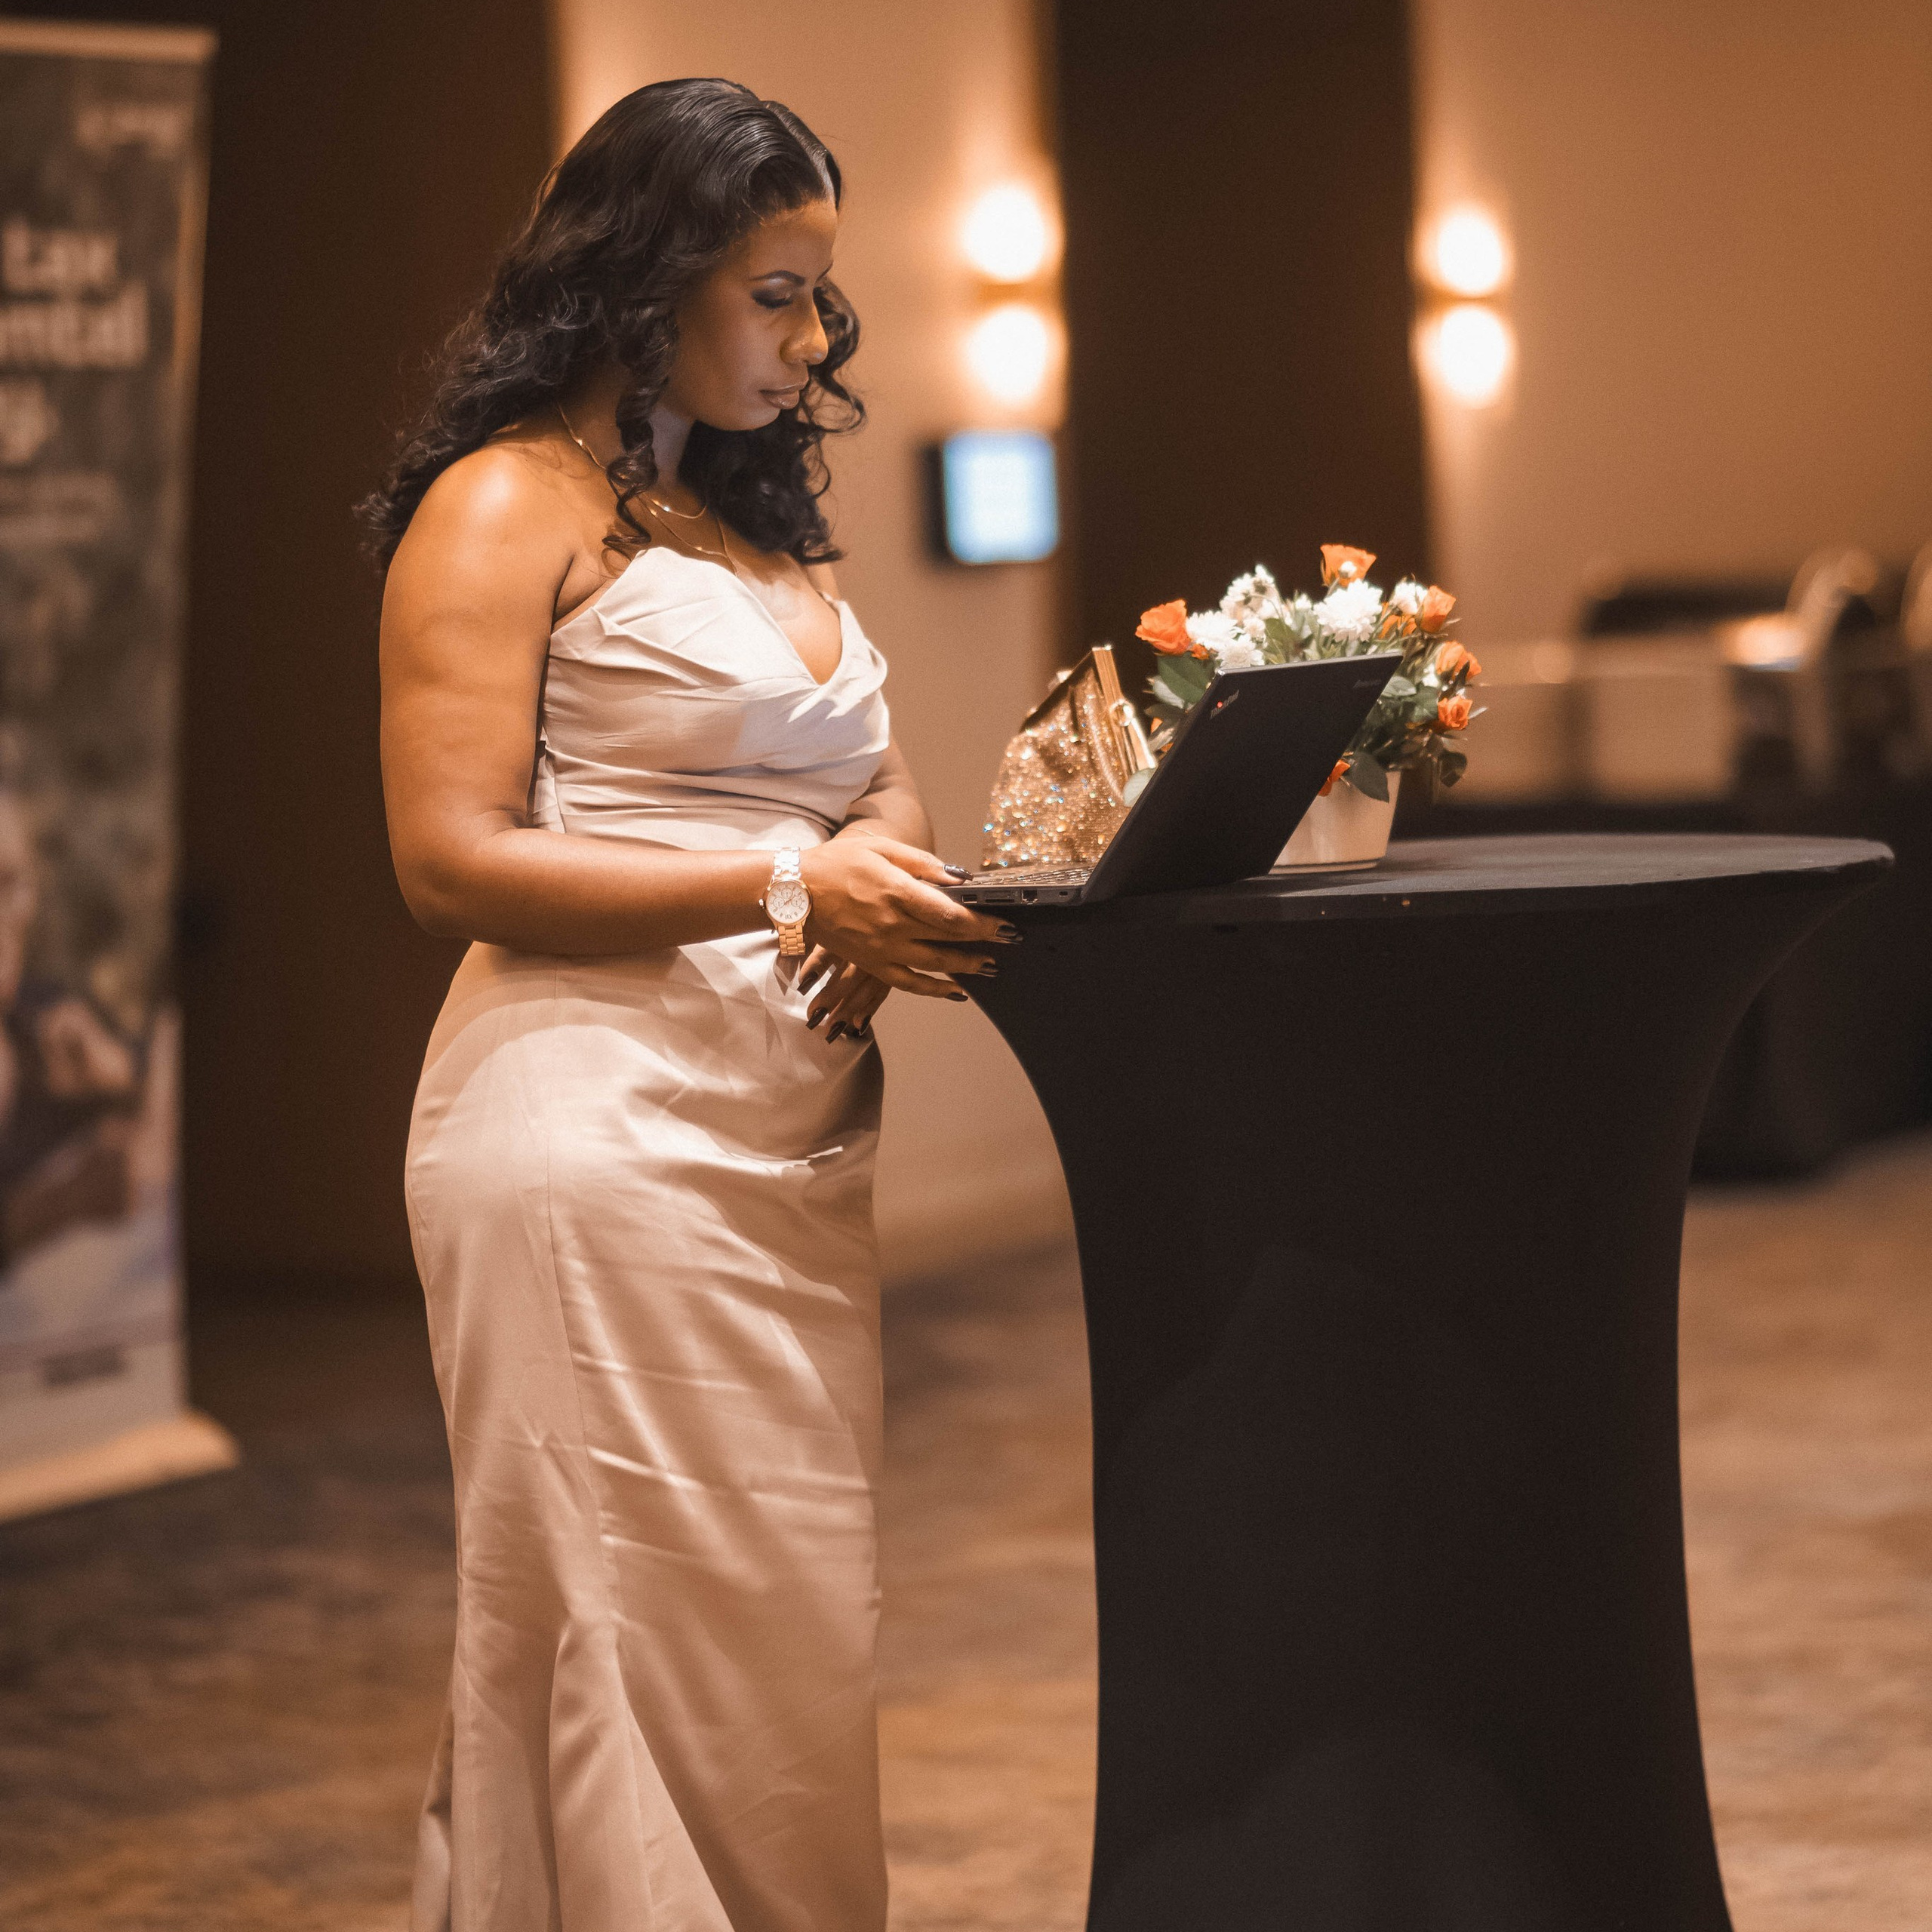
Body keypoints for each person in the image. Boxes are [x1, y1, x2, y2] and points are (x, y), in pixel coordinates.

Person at [365, 79, 1011, 1932]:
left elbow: (873, 782)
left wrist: (872, 852)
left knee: (773, 1635)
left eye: (820, 297)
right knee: (616, 1612)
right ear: (644, 280)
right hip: (587, 1139)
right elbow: (449, 859)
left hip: (779, 1138)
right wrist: (790, 886)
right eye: (776, 295)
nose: (812, 341)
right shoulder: (501, 505)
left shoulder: (740, 517)